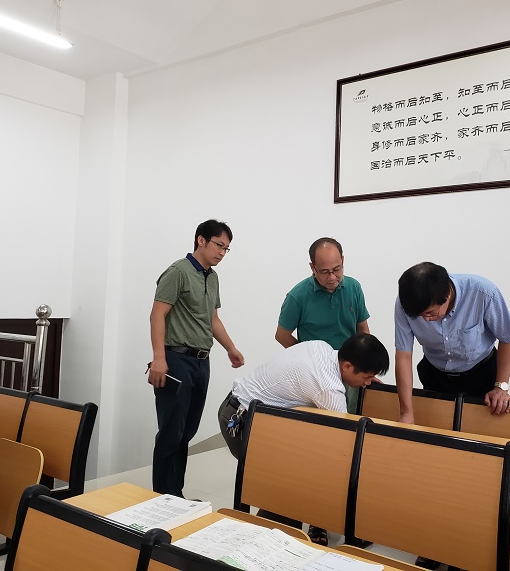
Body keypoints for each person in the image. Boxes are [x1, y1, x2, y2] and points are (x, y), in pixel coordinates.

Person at [394, 262, 510, 570]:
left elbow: (508, 338)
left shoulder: (483, 293)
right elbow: (404, 355)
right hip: (436, 377)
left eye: (430, 313)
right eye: (420, 316)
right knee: (437, 462)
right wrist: (407, 412)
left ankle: (467, 547)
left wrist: (501, 386)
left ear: (448, 295)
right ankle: (436, 543)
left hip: (481, 378)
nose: (425, 319)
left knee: (477, 466)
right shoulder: (407, 302)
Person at [218, 333, 389, 545]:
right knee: (292, 488)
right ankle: (265, 545)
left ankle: (274, 535)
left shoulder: (322, 347)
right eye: (366, 377)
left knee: (292, 482)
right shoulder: (327, 385)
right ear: (347, 366)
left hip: (241, 410)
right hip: (241, 423)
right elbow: (347, 437)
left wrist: (365, 377)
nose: (367, 383)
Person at [148, 219, 244, 497]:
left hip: (201, 362)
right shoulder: (178, 272)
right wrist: (158, 358)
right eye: (219, 245)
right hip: (175, 359)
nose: (222, 253)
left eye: (226, 249)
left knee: (186, 431)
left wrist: (230, 348)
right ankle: (162, 498)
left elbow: (213, 319)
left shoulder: (212, 277)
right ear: (201, 240)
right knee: (171, 432)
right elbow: (157, 315)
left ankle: (174, 495)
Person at [275, 237, 370, 413]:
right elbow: (281, 336)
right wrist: (309, 359)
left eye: (336, 269)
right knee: (322, 422)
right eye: (325, 272)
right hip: (317, 377)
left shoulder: (354, 287)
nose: (332, 277)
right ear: (312, 267)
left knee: (351, 419)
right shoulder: (297, 297)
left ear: (343, 260)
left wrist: (366, 368)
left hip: (350, 369)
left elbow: (363, 330)